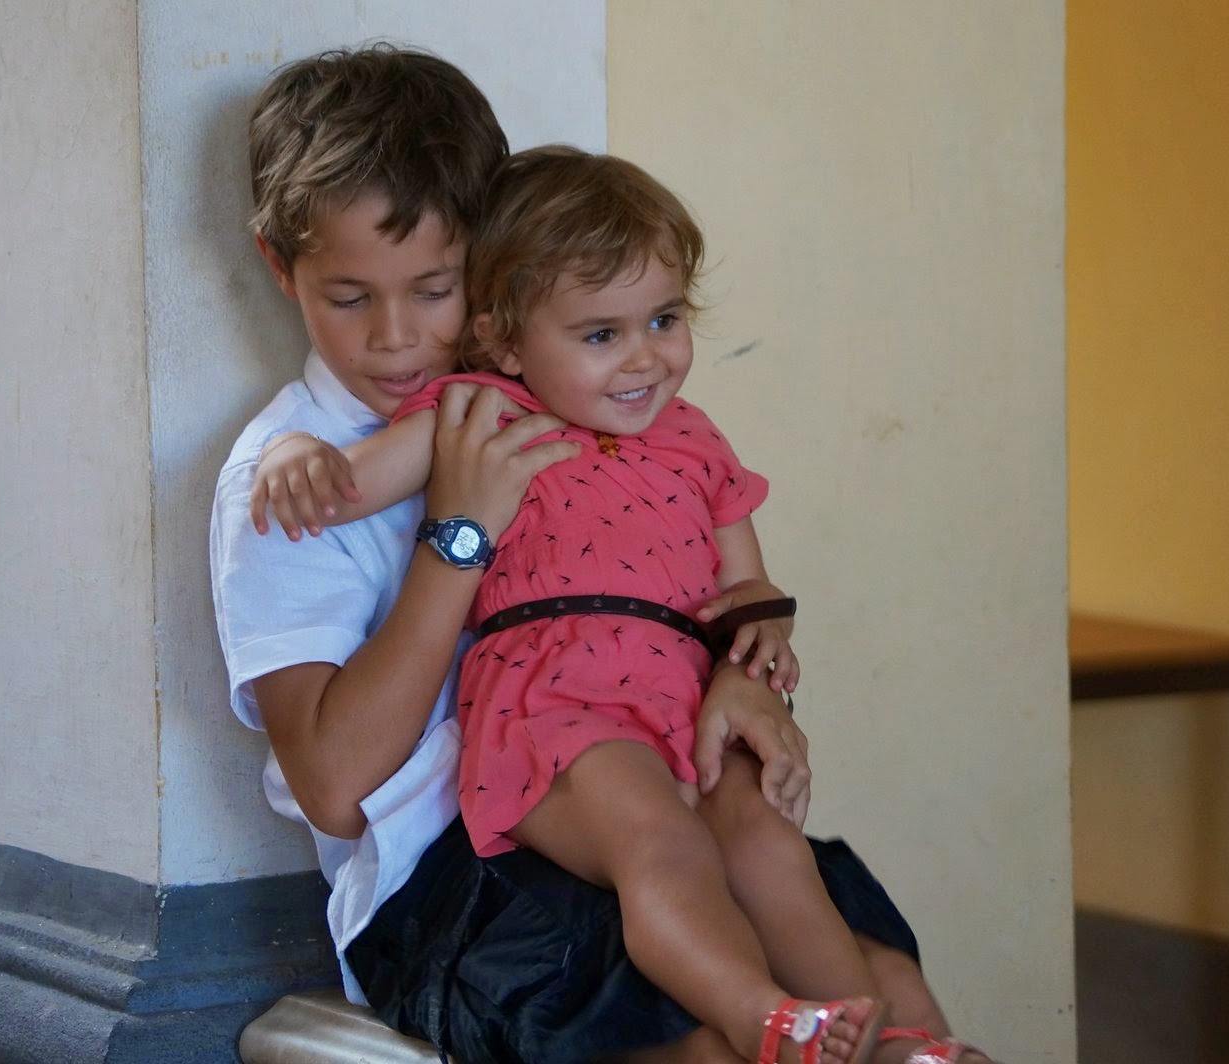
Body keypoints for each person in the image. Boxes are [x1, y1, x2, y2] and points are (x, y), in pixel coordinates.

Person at [215, 43, 990, 1064]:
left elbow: (691, 570)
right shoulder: (293, 486)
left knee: (886, 980)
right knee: (704, 1024)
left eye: (436, 288)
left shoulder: (580, 401)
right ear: (283, 269)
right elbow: (332, 787)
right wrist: (456, 533)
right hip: (449, 875)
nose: (397, 337)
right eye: (352, 298)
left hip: (647, 769)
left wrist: (742, 677)